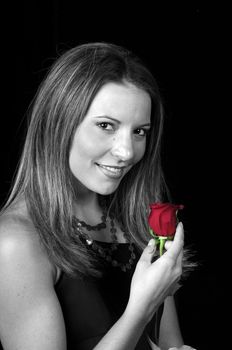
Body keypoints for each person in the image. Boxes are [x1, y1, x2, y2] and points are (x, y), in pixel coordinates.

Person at [0, 42, 196, 350]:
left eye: (139, 131)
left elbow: (171, 345)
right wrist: (140, 310)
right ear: (58, 123)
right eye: (106, 126)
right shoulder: (15, 241)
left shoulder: (137, 223)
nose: (127, 151)